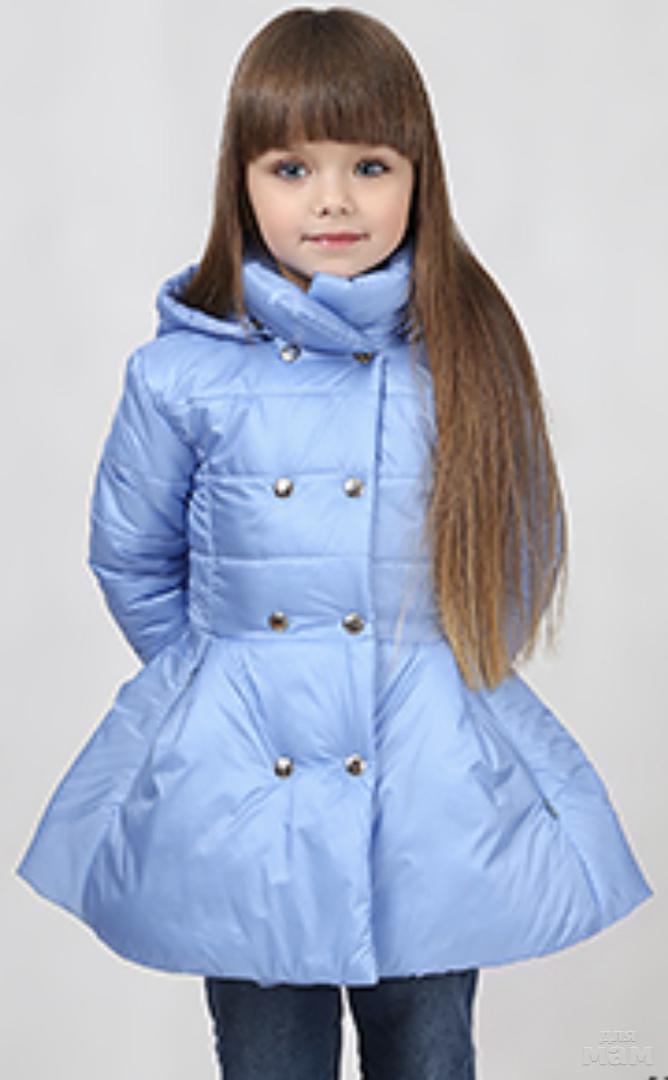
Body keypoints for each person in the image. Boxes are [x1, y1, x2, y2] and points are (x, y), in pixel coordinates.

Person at [14, 7, 652, 1079]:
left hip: (426, 775)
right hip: (245, 780)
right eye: (290, 167)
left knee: (429, 1050)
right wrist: (225, 678)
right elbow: (132, 556)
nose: (333, 200)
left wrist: (443, 681)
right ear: (240, 183)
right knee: (267, 1058)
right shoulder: (179, 376)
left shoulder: (468, 360)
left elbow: (516, 545)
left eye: (369, 164)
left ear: (418, 177)